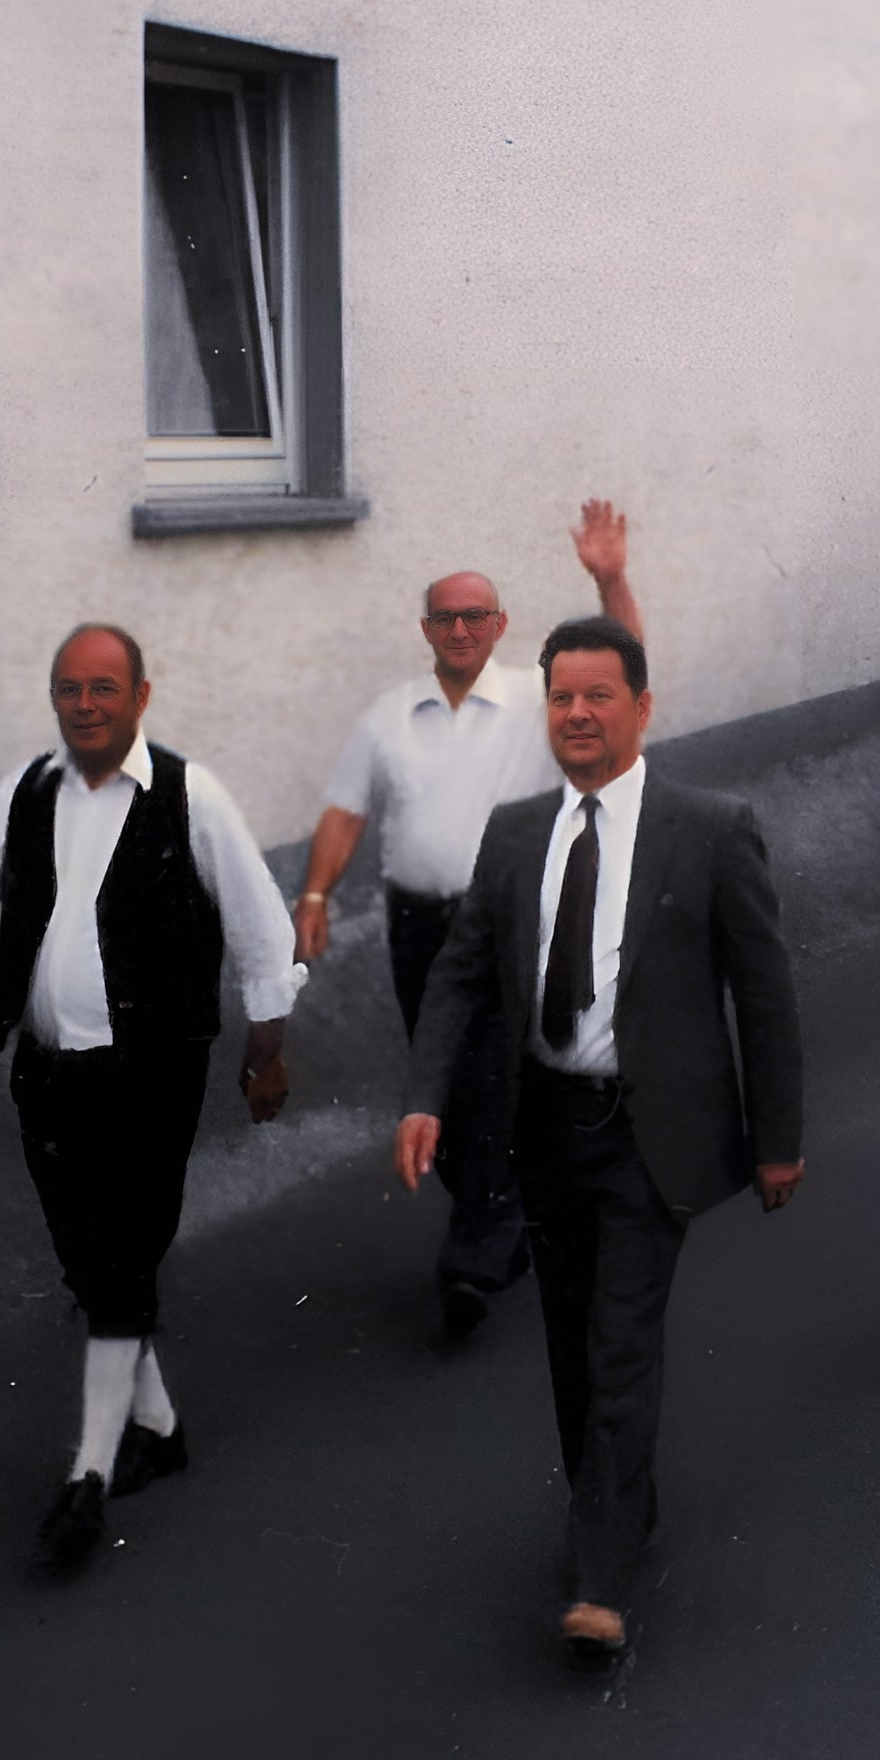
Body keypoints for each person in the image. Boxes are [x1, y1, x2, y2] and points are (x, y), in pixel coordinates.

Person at [395, 616, 804, 1661]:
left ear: (642, 707)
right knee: (571, 1344)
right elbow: (458, 974)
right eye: (561, 698)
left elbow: (763, 993)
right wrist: (424, 1097)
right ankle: (621, 1506)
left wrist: (777, 1137)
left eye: (598, 696)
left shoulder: (709, 828)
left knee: (621, 1342)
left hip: (646, 1134)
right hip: (544, 1125)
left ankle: (600, 1578)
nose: (577, 714)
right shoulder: (516, 832)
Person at [0, 623, 302, 1576]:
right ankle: (159, 1428)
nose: (86, 705)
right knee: (92, 1262)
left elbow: (261, 930)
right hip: (46, 1074)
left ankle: (89, 1475)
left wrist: (266, 1051)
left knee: (121, 1258)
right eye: (70, 689)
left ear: (140, 697)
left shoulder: (190, 795)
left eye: (104, 688)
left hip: (151, 1074)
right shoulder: (28, 792)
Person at [299, 504, 643, 1340]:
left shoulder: (535, 697)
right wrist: (314, 896)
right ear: (426, 628)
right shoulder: (389, 716)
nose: (460, 629)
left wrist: (609, 579)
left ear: (500, 625)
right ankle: (505, 1214)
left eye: (475, 616)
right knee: (442, 1078)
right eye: (446, 617)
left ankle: (474, 1256)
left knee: (487, 1077)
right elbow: (346, 810)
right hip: (417, 928)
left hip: (509, 917)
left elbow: (622, 679)